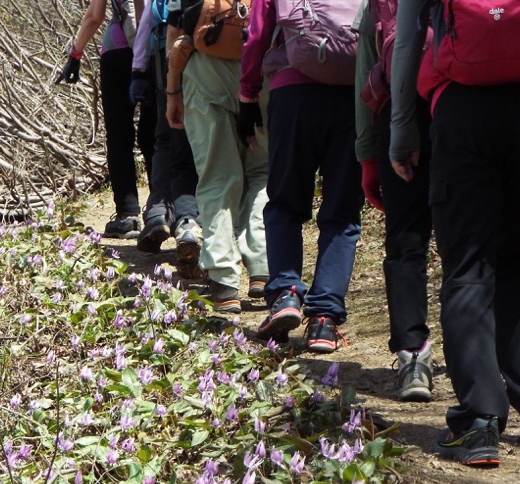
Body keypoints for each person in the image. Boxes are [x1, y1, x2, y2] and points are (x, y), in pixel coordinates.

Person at [388, 0, 520, 466]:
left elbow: (407, 41)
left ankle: (478, 421)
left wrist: (402, 126)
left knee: (467, 262)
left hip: (465, 108)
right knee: (513, 246)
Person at [239, 0, 363, 352]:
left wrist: (247, 94)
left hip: (293, 91)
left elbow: (257, 34)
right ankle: (324, 319)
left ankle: (286, 295)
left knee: (284, 202)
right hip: (354, 94)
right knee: (342, 211)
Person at [164, 0, 270, 313]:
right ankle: (263, 267)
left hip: (205, 72)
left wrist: (172, 91)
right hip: (263, 68)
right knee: (263, 172)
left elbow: (181, 33)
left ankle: (224, 279)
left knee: (217, 176)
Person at [354, 0, 434, 397]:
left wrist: (367, 155)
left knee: (406, 238)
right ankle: (487, 360)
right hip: (470, 105)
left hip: (401, 112)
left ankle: (413, 356)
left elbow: (365, 71)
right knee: (472, 243)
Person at [56, 0, 156, 239]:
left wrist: (75, 55)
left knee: (119, 134)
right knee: (154, 131)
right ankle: (159, 209)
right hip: (156, 50)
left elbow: (95, 16)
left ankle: (128, 215)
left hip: (117, 52)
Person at [129, 0, 204, 278]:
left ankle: (160, 213)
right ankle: (190, 221)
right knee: (196, 148)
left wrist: (138, 68)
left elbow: (151, 18)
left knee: (167, 139)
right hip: (219, 58)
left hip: (169, 57)